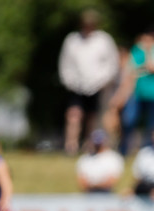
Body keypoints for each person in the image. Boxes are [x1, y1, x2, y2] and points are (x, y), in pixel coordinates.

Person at [58, 9, 119, 155]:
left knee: (93, 117)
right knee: (74, 115)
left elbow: (112, 64)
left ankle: (88, 144)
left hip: (97, 85)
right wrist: (69, 81)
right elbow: (65, 63)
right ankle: (71, 146)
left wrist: (103, 81)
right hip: (77, 85)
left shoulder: (104, 40)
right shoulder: (72, 40)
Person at [109, 25, 154, 156]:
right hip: (137, 93)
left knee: (152, 124)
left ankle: (150, 151)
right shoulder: (137, 49)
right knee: (128, 120)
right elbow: (130, 69)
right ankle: (124, 149)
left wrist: (149, 51)